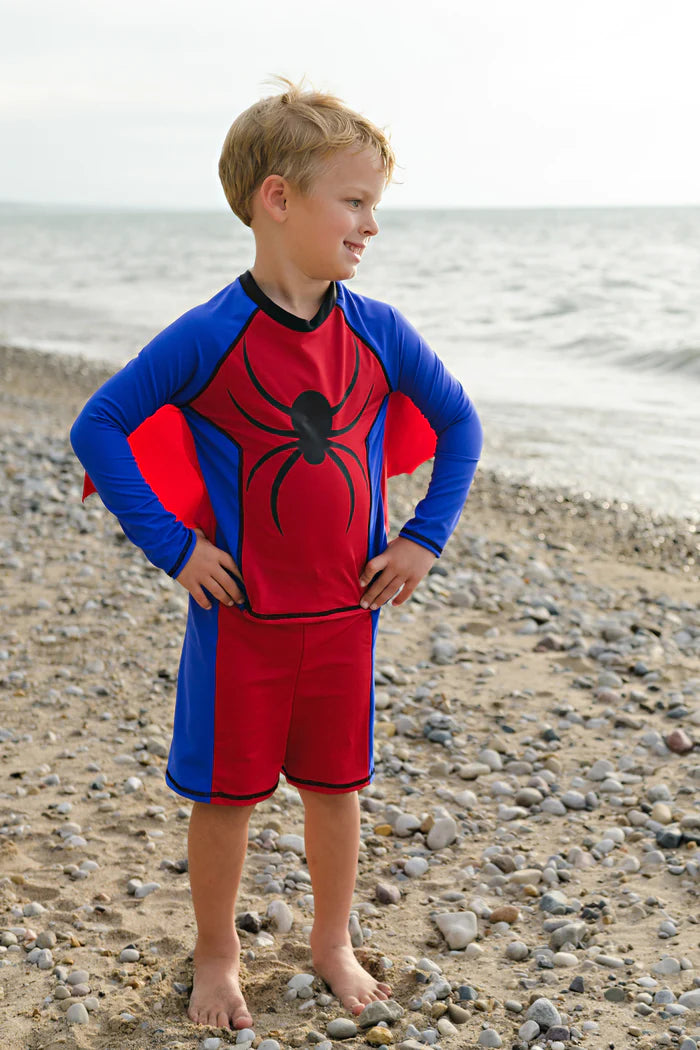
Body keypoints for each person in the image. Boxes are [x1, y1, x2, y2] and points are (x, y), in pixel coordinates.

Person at [70, 77, 483, 1031]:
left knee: (338, 790)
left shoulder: (379, 332)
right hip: (241, 624)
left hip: (345, 619)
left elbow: (460, 424)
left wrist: (423, 537)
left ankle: (331, 942)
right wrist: (176, 548)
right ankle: (218, 954)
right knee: (226, 797)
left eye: (375, 204)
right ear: (278, 198)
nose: (371, 224)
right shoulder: (212, 335)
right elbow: (101, 427)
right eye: (355, 201)